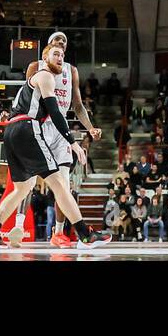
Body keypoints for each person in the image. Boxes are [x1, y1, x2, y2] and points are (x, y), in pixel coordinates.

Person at [0, 55, 109, 251]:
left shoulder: (34, 84)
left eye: (62, 55)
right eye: (55, 54)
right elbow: (56, 113)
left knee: (21, 189)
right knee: (58, 183)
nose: (60, 58)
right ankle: (86, 235)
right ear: (44, 58)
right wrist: (72, 142)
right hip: (27, 128)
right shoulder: (45, 75)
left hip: (11, 132)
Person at [42, 31, 103, 248]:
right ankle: (15, 227)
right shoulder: (37, 67)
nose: (61, 43)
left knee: (64, 185)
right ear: (48, 47)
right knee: (27, 184)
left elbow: (77, 106)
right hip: (39, 126)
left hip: (61, 130)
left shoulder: (72, 71)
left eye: (64, 42)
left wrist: (90, 127)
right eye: (56, 41)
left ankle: (58, 233)